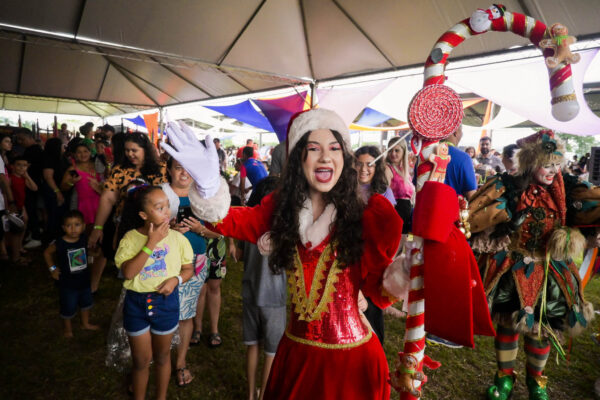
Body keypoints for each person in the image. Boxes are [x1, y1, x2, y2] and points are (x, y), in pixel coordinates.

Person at [163, 108, 404, 399]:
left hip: (351, 360)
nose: (326, 157)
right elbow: (230, 220)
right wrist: (209, 186)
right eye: (314, 148)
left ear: (344, 158)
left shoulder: (364, 214)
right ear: (298, 157)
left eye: (334, 149)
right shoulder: (281, 209)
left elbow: (383, 283)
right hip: (295, 355)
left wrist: (411, 268)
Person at [468, 130, 595, 400]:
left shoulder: (568, 189)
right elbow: (477, 219)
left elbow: (589, 212)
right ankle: (504, 379)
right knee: (508, 325)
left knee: (542, 329)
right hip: (512, 268)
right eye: (547, 165)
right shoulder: (508, 186)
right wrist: (505, 225)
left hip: (550, 270)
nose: (553, 171)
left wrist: (573, 236)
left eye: (556, 165)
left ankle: (537, 382)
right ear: (531, 163)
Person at [114, 185, 193, 400]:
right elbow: (129, 273)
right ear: (143, 215)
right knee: (140, 361)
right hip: (136, 304)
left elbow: (188, 269)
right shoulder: (130, 239)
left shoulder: (178, 240)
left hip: (166, 302)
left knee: (162, 356)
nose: (167, 211)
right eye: (159, 208)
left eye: (167, 206)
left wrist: (175, 280)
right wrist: (152, 242)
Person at [160, 157, 214, 387]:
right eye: (178, 168)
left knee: (186, 313)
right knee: (160, 310)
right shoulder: (159, 195)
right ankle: (157, 361)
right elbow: (144, 229)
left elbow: (219, 233)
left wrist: (200, 229)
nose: (184, 173)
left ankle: (180, 363)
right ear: (169, 170)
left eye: (188, 169)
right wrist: (168, 229)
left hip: (195, 260)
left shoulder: (203, 197)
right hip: (164, 261)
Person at [240, 177, 287, 400]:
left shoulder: (249, 226)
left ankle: (251, 395)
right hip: (275, 299)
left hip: (250, 294)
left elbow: (240, 256)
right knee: (271, 352)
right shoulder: (285, 232)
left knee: (252, 346)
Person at [88, 131, 167, 262]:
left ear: (145, 150)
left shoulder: (161, 168)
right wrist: (98, 227)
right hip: (127, 225)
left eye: (134, 150)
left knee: (155, 264)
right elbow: (107, 199)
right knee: (130, 262)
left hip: (155, 225)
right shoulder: (120, 170)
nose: (130, 154)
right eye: (127, 150)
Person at [354, 146, 396, 344]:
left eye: (369, 164)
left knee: (371, 317)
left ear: (376, 166)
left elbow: (391, 233)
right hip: (350, 261)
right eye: (359, 164)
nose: (364, 169)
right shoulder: (343, 190)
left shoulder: (384, 193)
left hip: (374, 268)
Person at [43, 210, 99, 337]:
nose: (73, 229)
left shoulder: (84, 239)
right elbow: (46, 253)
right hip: (67, 283)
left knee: (86, 303)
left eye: (77, 225)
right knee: (68, 305)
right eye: (69, 225)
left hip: (84, 280)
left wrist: (93, 254)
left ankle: (85, 323)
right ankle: (68, 330)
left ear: (84, 226)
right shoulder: (60, 243)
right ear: (63, 227)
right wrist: (52, 269)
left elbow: (84, 253)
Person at [61, 142, 105, 293]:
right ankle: (79, 274)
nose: (82, 154)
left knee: (98, 240)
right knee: (80, 241)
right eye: (78, 152)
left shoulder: (97, 166)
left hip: (98, 206)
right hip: (81, 208)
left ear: (90, 152)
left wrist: (98, 187)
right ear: (74, 154)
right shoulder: (72, 169)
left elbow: (107, 187)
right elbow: (63, 187)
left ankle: (93, 277)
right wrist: (70, 182)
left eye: (85, 151)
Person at [7, 156, 38, 265]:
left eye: (24, 165)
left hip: (21, 206)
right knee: (16, 229)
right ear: (13, 166)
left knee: (24, 224)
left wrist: (27, 176)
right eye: (19, 165)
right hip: (13, 207)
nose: (21, 168)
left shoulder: (23, 178)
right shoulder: (10, 178)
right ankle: (15, 254)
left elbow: (34, 188)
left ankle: (19, 246)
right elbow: (6, 193)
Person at [16, 128, 43, 248]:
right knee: (31, 209)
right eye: (18, 140)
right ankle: (33, 233)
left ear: (30, 137)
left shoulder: (34, 150)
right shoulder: (31, 149)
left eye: (22, 139)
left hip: (32, 183)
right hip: (31, 183)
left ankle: (36, 236)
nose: (20, 142)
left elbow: (26, 167)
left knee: (31, 210)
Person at [385, 136, 414, 233]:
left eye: (397, 150)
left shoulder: (405, 170)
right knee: (398, 246)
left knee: (408, 244)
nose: (393, 153)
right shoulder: (387, 168)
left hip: (407, 215)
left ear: (404, 151)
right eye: (390, 150)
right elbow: (385, 196)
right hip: (396, 215)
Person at [42, 137, 68, 242]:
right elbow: (48, 177)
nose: (64, 147)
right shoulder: (49, 159)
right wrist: (57, 192)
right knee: (54, 215)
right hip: (53, 190)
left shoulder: (61, 157)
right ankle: (52, 239)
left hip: (60, 189)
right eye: (62, 145)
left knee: (59, 214)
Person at [443, 125, 478, 199]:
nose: (462, 134)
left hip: (423, 209)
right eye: (461, 131)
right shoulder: (464, 158)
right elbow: (471, 195)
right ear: (455, 132)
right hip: (451, 209)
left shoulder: (424, 155)